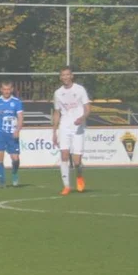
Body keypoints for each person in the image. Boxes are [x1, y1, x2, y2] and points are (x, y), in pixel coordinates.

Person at [52, 66, 90, 195]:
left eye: (68, 74)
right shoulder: (58, 93)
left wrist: (83, 117)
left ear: (71, 76)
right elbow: (57, 112)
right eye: (63, 75)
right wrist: (54, 132)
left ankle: (79, 176)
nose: (65, 77)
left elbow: (87, 108)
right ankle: (66, 186)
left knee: (77, 160)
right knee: (64, 155)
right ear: (60, 77)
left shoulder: (80, 90)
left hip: (78, 127)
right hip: (64, 126)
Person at [0, 80, 24, 187]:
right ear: (1, 90)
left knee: (15, 159)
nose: (6, 91)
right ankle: (1, 179)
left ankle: (15, 172)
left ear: (11, 90)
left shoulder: (17, 102)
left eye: (8, 89)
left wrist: (17, 130)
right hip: (0, 133)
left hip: (12, 134)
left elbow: (20, 117)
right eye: (4, 89)